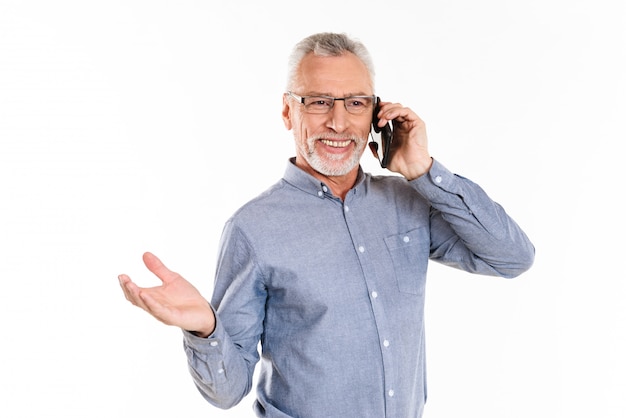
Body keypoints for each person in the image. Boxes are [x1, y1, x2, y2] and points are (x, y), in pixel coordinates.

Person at [118, 32, 535, 417]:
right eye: (318, 102)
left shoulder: (408, 202)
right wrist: (204, 328)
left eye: (355, 102)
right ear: (287, 111)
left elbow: (511, 258)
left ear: (376, 112)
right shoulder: (253, 228)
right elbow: (227, 391)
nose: (338, 122)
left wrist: (424, 170)